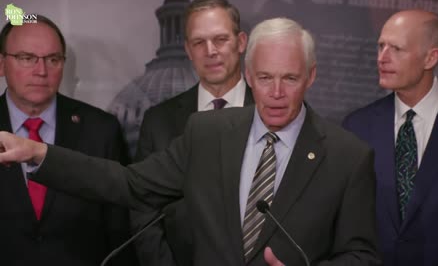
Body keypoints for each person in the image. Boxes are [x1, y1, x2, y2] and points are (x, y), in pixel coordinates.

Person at [0, 17, 380, 265]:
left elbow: (362, 255)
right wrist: (39, 154)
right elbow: (130, 185)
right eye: (265, 78)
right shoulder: (207, 132)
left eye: (290, 78)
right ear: (248, 75)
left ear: (311, 77)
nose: (277, 92)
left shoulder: (348, 157)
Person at [343, 9, 438, 266]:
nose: (382, 58)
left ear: (431, 57)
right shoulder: (357, 126)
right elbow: (346, 227)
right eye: (381, 46)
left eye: (396, 48)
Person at [0, 16, 138, 266]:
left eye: (53, 59)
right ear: (1, 64)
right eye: (27, 58)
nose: (41, 71)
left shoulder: (101, 129)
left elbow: (120, 229)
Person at [132, 0, 253, 265]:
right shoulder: (158, 121)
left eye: (220, 39)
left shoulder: (271, 112)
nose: (210, 51)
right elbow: (143, 212)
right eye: (199, 42)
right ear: (188, 49)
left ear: (241, 42)